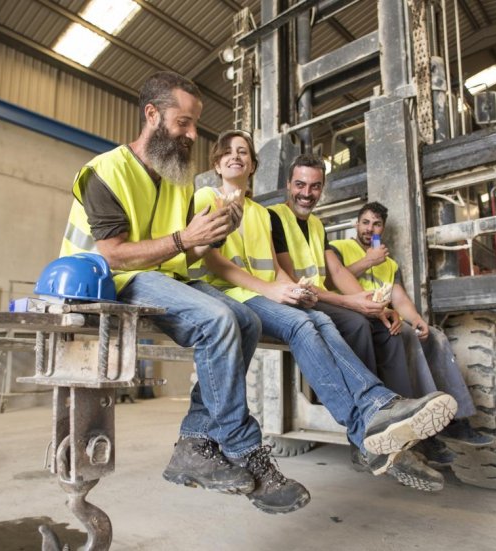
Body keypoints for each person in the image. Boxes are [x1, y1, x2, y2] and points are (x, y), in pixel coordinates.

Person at [59, 72, 310, 514]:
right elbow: (115, 254)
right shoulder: (106, 171)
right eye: (184, 123)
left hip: (162, 277)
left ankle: (194, 444)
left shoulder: (178, 180)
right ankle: (243, 446)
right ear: (152, 115)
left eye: (195, 125)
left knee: (245, 319)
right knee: (216, 320)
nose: (193, 134)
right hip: (106, 280)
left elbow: (184, 257)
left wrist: (210, 237)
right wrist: (183, 240)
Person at [194, 130, 458, 492]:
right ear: (216, 162)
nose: (236, 156)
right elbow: (213, 261)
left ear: (254, 164)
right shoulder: (207, 197)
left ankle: (383, 408)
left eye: (243, 152)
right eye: (228, 152)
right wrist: (279, 289)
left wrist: (291, 288)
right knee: (311, 324)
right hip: (234, 295)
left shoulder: (259, 213)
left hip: (271, 293)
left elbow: (273, 266)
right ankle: (365, 424)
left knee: (320, 319)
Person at [268, 155, 484, 488]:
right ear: (288, 186)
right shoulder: (277, 218)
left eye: (314, 186)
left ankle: (400, 420)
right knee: (356, 325)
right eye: (300, 185)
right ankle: (366, 429)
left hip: (320, 296)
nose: (307, 193)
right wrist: (355, 303)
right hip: (296, 298)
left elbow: (338, 275)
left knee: (389, 330)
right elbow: (301, 279)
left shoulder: (317, 225)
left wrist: (375, 307)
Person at [330, 202, 493, 450]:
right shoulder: (338, 248)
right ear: (356, 224)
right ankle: (421, 433)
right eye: (365, 222)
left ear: (382, 228)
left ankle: (455, 420)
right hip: (353, 317)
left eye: (376, 224)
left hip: (382, 316)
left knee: (432, 336)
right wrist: (367, 261)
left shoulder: (390, 263)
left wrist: (417, 319)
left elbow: (398, 296)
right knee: (404, 335)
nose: (369, 228)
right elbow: (333, 277)